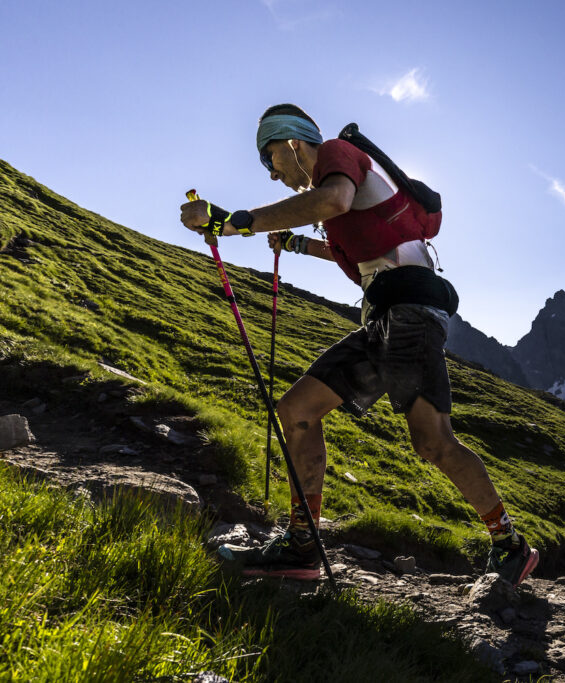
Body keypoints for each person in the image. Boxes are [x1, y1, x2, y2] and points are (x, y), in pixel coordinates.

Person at [179, 104, 539, 586]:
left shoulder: (335, 154)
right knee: (297, 410)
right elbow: (360, 250)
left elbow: (333, 202)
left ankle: (510, 546)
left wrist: (233, 221)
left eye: (270, 160)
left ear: (291, 143)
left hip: (408, 311)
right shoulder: (338, 189)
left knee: (432, 440)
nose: (272, 174)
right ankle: (303, 544)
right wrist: (298, 246)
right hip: (390, 315)